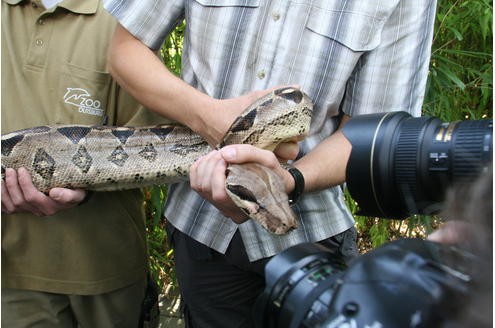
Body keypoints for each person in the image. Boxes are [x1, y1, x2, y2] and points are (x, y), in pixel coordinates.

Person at [103, 1, 437, 327]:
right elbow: (123, 50)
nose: (278, 221)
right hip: (199, 228)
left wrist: (290, 181)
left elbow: (373, 131)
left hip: (312, 235)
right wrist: (210, 118)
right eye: (264, 210)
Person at [1, 1, 165, 327]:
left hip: (104, 267)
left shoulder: (126, 16)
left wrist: (87, 186)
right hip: (10, 273)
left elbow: (154, 147)